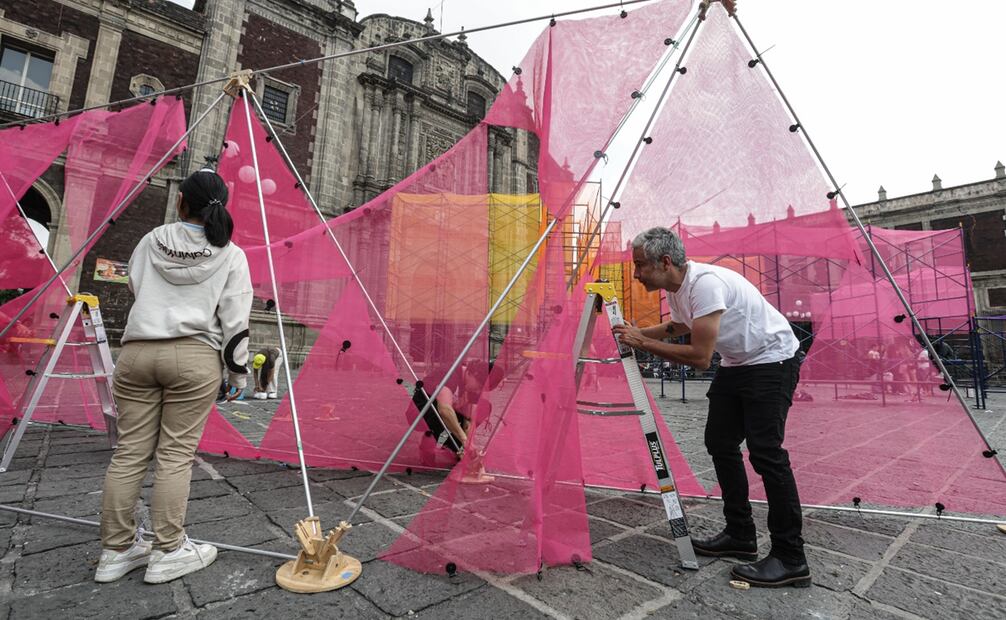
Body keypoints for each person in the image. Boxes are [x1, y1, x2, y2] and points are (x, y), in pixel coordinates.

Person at [612, 227, 810, 588]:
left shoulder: (705, 283)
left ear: (665, 262)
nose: (636, 273)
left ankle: (790, 556)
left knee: (766, 453)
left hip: (773, 360)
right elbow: (678, 326)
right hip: (739, 363)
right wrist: (637, 331)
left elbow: (701, 358)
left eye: (640, 266)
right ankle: (741, 535)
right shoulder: (678, 287)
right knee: (719, 442)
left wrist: (640, 342)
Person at [95, 168, 252, 584]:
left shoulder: (150, 240)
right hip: (194, 357)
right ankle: (168, 549)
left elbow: (135, 286)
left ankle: (116, 550)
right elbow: (235, 321)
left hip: (137, 352)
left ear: (181, 200)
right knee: (175, 455)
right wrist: (238, 375)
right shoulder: (231, 254)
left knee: (129, 453)